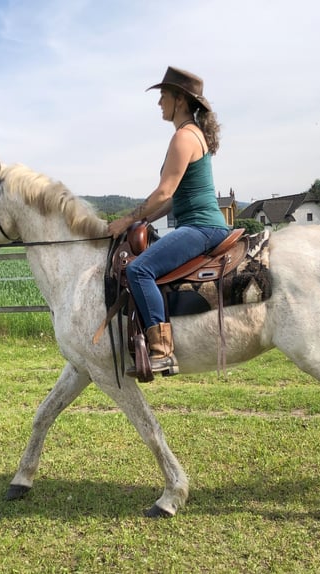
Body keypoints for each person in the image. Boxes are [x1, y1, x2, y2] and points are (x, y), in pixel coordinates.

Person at [108, 66, 230, 376]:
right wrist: (144, 221)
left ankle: (162, 351)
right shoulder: (192, 135)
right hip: (200, 224)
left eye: (163, 95)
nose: (159, 102)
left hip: (201, 227)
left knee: (139, 268)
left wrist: (125, 222)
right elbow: (174, 200)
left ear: (179, 100)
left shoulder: (183, 137)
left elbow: (164, 192)